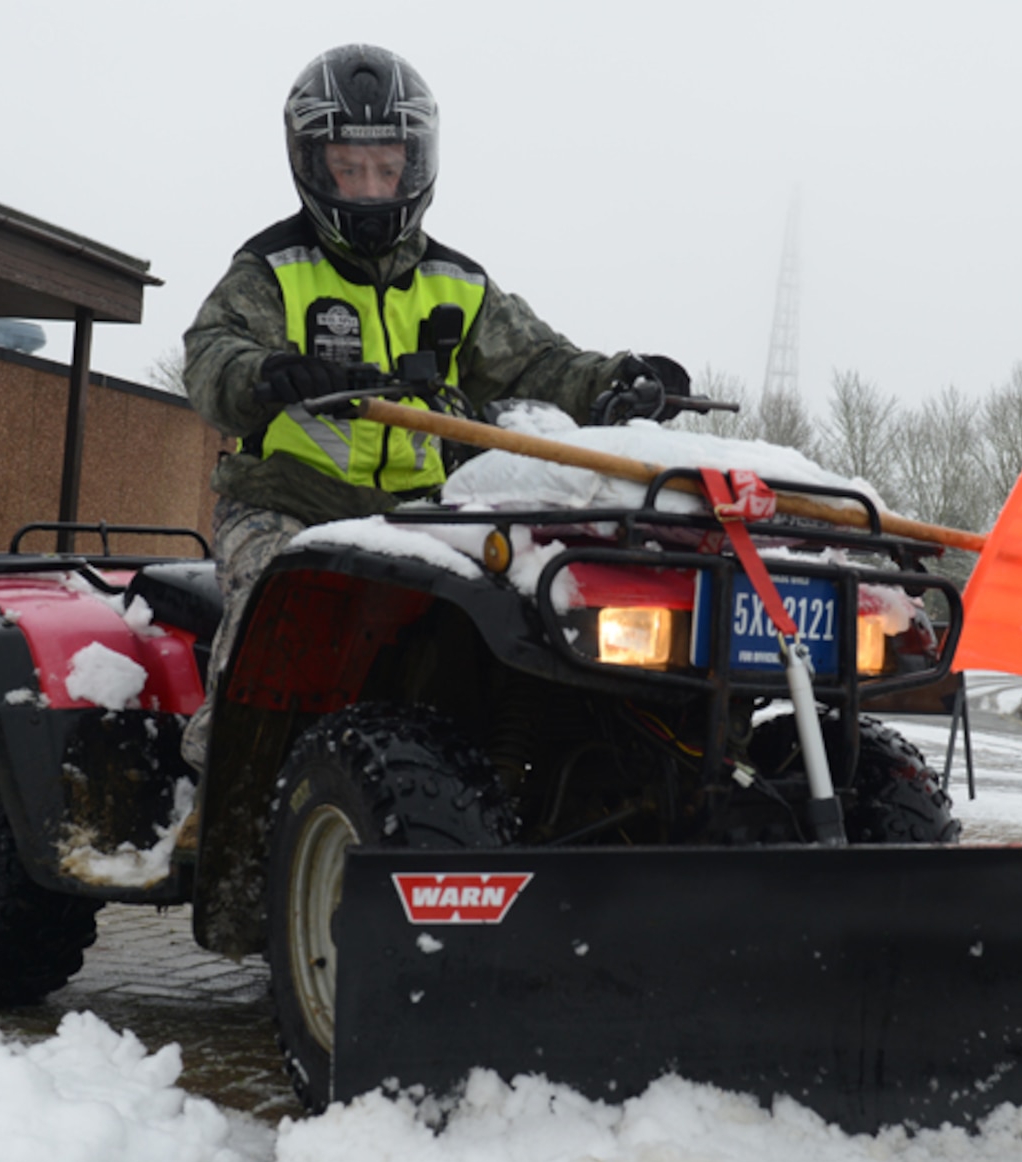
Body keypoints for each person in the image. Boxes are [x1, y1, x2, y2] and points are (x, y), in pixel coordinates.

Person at [178, 43, 688, 780]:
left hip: (420, 519)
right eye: (348, 169)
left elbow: (543, 361)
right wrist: (266, 371)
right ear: (312, 166)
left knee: (518, 612)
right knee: (271, 606)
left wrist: (621, 377)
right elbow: (210, 355)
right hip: (288, 507)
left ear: (416, 166)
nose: (369, 186)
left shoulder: (458, 282)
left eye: (386, 168)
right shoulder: (271, 269)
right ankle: (215, 787)